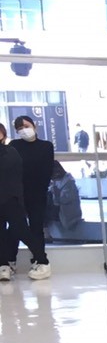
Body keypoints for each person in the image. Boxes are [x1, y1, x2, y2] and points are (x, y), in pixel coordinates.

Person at [2, 116, 52, 280]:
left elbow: (47, 171)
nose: (23, 130)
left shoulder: (46, 146)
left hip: (37, 194)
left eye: (26, 126)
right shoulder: (14, 146)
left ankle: (39, 261)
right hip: (16, 195)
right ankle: (10, 260)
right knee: (15, 228)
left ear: (34, 125)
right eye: (19, 128)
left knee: (36, 227)